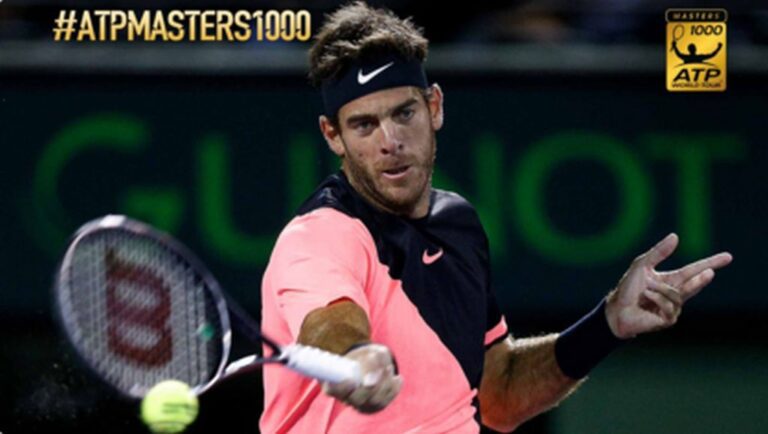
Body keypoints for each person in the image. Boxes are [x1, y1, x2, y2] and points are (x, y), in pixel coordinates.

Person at [259, 2, 733, 433]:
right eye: (364, 125)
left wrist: (606, 324)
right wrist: (355, 356)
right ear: (333, 136)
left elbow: (500, 396)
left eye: (404, 113)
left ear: (434, 107)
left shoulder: (458, 224)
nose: (390, 142)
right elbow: (327, 325)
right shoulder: (319, 236)